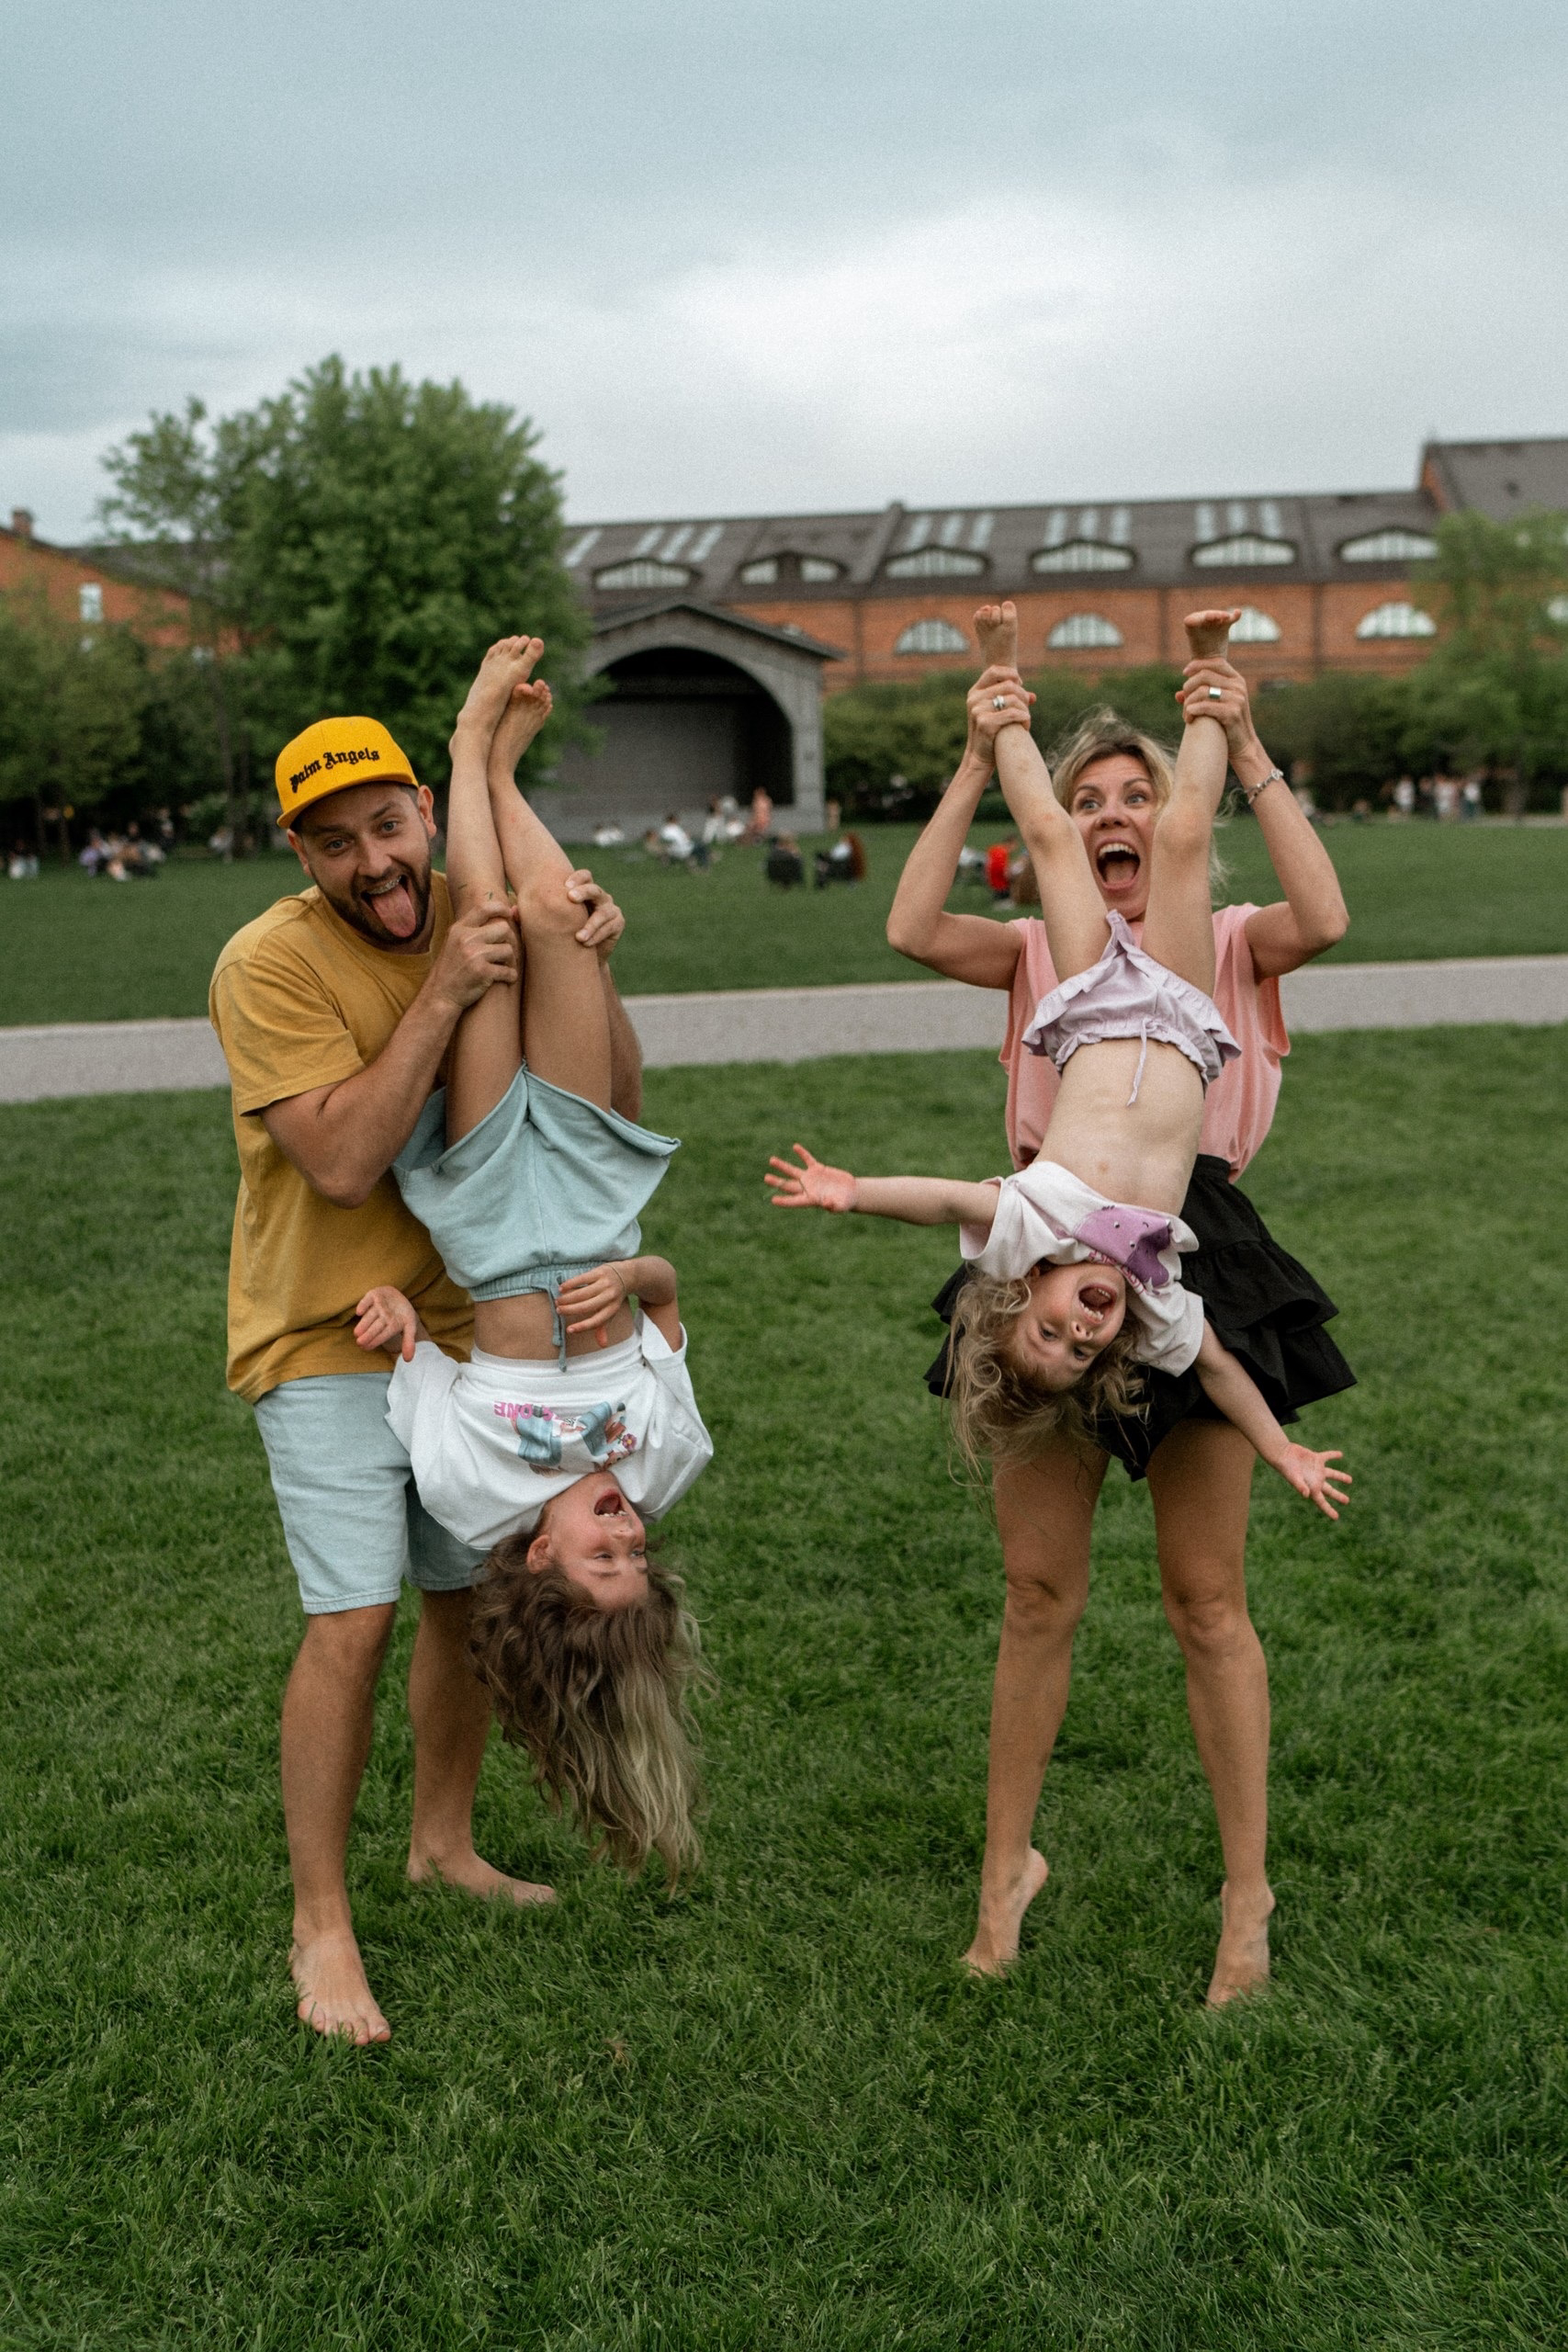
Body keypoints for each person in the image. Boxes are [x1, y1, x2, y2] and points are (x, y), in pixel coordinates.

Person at [872, 601, 1354, 2005]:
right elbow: (908, 925)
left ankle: (1245, 1901)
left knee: (1205, 1600)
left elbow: (1325, 916)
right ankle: (1002, 1876)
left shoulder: (1226, 938)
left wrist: (1242, 743)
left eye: (1132, 794)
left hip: (1195, 1238)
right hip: (1044, 1241)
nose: (1110, 815)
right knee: (1036, 1592)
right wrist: (977, 753)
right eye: (1088, 801)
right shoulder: (1042, 945)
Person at [209, 682, 641, 2046]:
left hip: (469, 1336)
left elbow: (610, 1106)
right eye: (335, 842)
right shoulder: (265, 964)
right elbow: (342, 1163)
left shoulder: (480, 899)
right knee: (354, 1616)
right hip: (321, 1331)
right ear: (300, 853)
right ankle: (319, 1922)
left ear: (425, 811)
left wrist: (593, 962)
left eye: (388, 825)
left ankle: (441, 1844)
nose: (374, 863)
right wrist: (447, 988)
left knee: (462, 1600)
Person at [769, 605, 1349, 1521]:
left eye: (1052, 1331)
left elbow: (946, 1200)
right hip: (1186, 1020)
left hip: (1091, 1017)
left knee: (1044, 831)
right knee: (1186, 836)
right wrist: (1285, 1451)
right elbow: (1218, 1367)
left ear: (1024, 1288)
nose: (1080, 1328)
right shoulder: (1152, 1290)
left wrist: (854, 1190)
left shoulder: (1035, 1217)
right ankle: (1208, 667)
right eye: (1082, 1348)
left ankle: (1001, 677)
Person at [355, 637, 713, 1880]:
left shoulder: (470, 1497)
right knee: (562, 922)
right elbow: (669, 1306)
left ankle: (465, 750)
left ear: (540, 1561)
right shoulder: (663, 1460)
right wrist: (639, 1281)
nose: (625, 1534)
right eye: (636, 1556)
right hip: (596, 1201)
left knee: (493, 938)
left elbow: (421, 1373)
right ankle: (501, 774)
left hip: (494, 1221)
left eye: (602, 1557)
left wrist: (397, 1319)